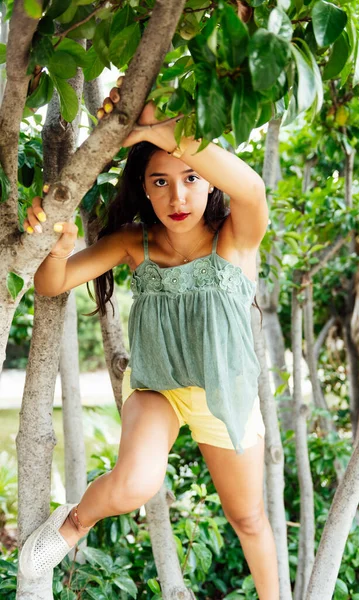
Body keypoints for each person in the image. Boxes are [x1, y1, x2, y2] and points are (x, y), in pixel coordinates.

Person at [19, 94, 279, 599]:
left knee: (248, 519)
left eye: (190, 179)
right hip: (158, 390)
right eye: (160, 182)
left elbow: (251, 187)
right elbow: (52, 285)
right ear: (143, 187)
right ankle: (72, 524)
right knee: (135, 483)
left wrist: (162, 130)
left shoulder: (235, 239)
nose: (177, 197)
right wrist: (56, 244)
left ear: (210, 181)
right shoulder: (133, 244)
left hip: (228, 396)